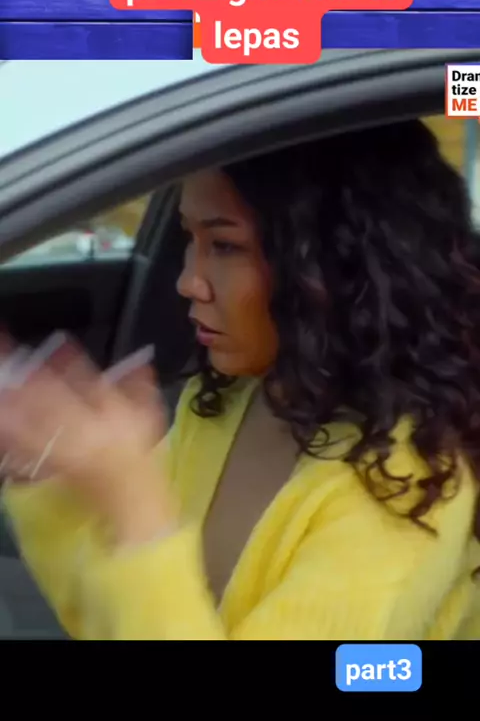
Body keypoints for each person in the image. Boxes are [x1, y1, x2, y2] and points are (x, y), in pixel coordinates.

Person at [1, 119, 480, 641]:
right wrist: (46, 473)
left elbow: (146, 568)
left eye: (225, 246)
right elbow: (119, 616)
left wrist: (137, 507)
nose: (188, 281)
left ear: (334, 265)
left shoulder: (410, 488)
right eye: (191, 239)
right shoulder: (224, 402)